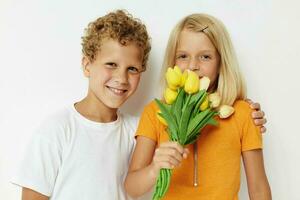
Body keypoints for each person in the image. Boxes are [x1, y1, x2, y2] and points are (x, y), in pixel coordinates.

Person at [125, 13, 272, 200]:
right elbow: (132, 187)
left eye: (205, 57)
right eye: (183, 56)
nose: (193, 66)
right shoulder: (155, 113)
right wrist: (155, 168)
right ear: (172, 62)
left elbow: (259, 189)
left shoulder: (242, 114)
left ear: (221, 63)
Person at [12, 10, 151, 200]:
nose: (121, 78)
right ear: (87, 66)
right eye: (111, 64)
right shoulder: (57, 130)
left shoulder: (139, 131)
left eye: (132, 69)